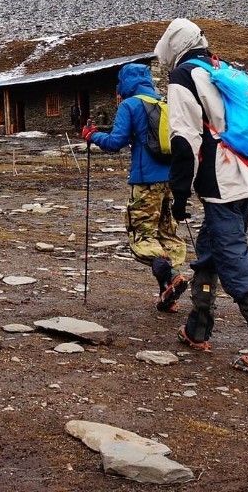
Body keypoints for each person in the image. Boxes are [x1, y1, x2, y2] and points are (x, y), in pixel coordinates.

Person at [155, 18, 248, 376]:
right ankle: (197, 329)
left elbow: (185, 141)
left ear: (172, 48)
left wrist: (179, 193)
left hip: (221, 182)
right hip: (245, 174)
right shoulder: (222, 69)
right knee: (211, 252)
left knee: (232, 259)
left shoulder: (184, 76)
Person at [82, 63, 186, 312]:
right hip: (169, 180)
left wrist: (92, 135)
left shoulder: (129, 105)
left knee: (142, 234)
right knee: (166, 233)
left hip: (144, 179)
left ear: (125, 83)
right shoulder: (165, 104)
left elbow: (116, 142)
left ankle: (171, 277)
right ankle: (168, 293)